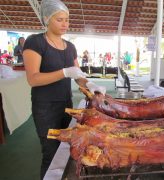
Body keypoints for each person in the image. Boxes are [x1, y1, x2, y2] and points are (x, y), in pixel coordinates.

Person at [22, 0, 106, 179]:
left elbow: (77, 76)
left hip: (66, 105)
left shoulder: (70, 47)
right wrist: (64, 72)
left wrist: (90, 85)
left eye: (67, 20)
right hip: (45, 108)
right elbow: (33, 79)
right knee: (50, 152)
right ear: (47, 19)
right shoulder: (35, 42)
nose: (65, 24)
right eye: (59, 19)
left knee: (68, 149)